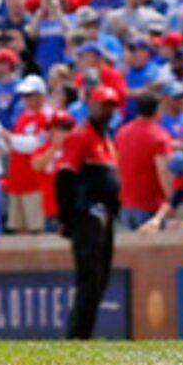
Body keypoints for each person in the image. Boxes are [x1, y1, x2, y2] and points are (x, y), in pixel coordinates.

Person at [54, 90, 123, 337]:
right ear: (92, 105)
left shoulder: (106, 139)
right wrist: (65, 218)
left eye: (112, 107)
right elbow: (64, 178)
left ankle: (84, 334)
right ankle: (76, 337)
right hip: (87, 213)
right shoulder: (80, 136)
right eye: (104, 106)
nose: (108, 112)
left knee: (100, 278)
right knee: (89, 278)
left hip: (105, 216)